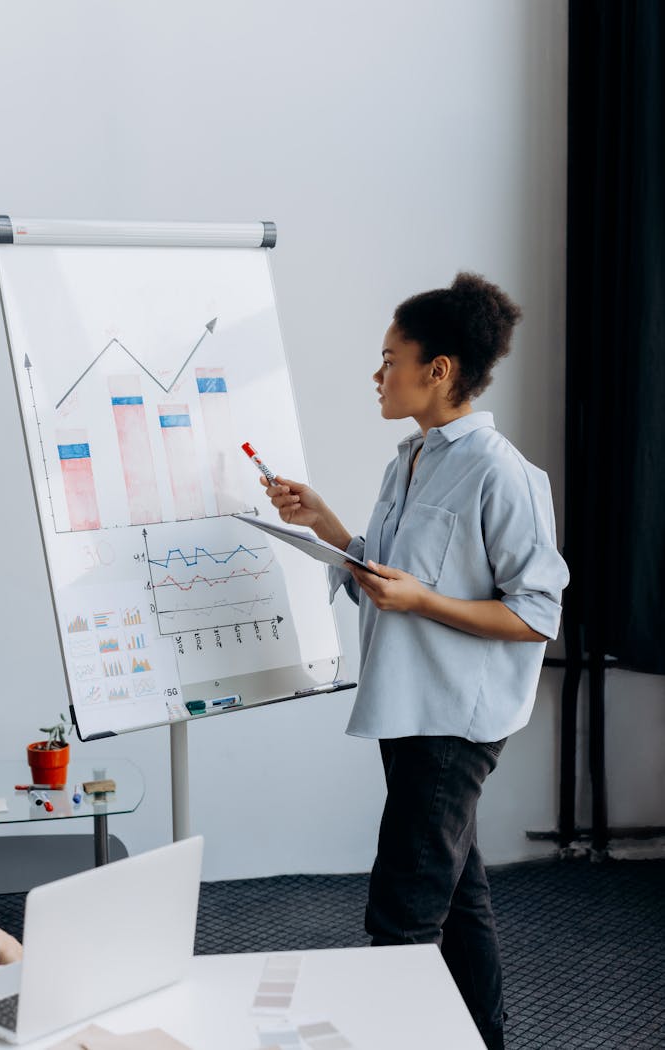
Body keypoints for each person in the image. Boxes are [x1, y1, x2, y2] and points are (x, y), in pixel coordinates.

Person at [262, 272, 569, 1050]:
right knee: (459, 896)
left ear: (439, 370)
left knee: (403, 912)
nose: (377, 375)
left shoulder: (503, 474)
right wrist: (328, 525)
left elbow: (537, 615)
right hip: (407, 706)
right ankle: (486, 1037)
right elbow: (387, 581)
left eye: (390, 358)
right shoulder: (409, 460)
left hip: (454, 721)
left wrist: (424, 601)